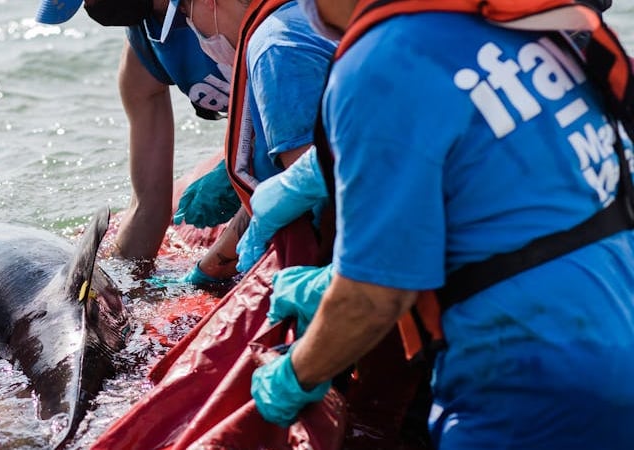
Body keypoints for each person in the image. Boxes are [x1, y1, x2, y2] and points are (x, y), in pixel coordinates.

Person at [250, 1, 634, 448]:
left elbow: (374, 297)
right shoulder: (519, 21)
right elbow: (525, 209)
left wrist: (293, 376)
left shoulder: (381, 63)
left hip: (530, 381)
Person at [36, 0, 232, 266]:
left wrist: (246, 165)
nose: (89, 6)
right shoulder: (144, 53)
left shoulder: (236, 10)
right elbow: (148, 205)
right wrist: (122, 277)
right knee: (182, 219)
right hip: (248, 142)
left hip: (286, 139)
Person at [162, 0, 335, 287]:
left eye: (185, 14)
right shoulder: (300, 15)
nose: (193, 29)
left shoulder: (274, 49)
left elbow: (314, 194)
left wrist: (211, 269)